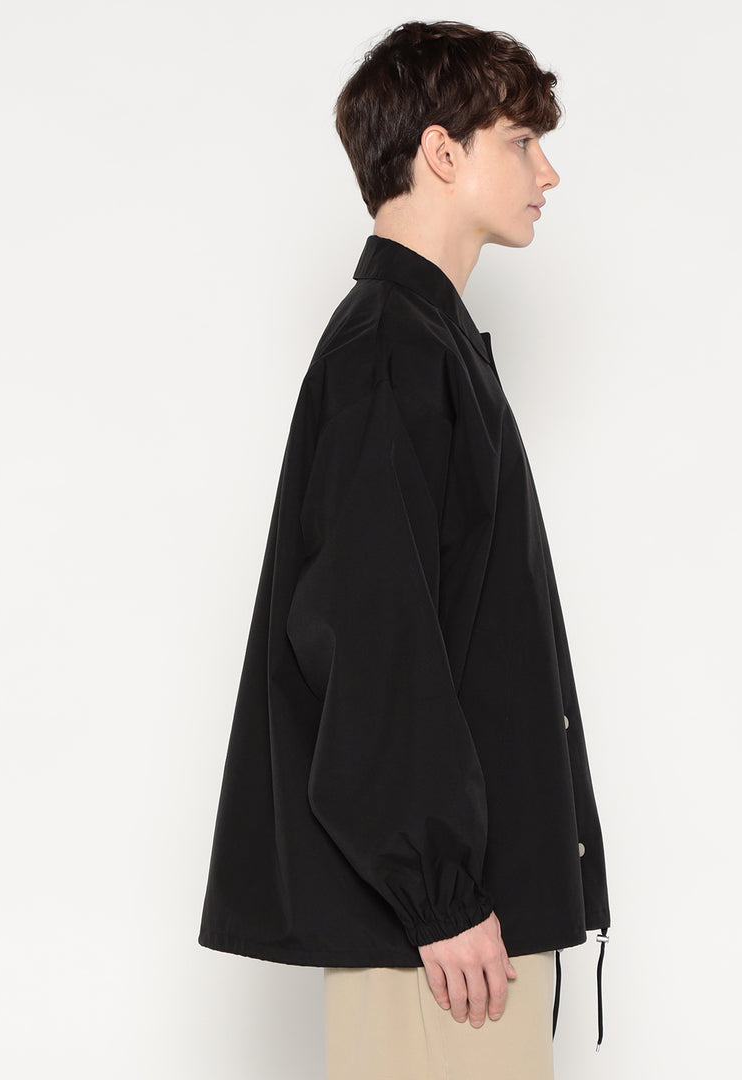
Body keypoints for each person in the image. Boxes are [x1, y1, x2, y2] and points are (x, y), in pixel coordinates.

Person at [198, 20, 611, 1079]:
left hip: (458, 923)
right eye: (522, 141)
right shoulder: (390, 352)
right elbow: (370, 639)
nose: (548, 173)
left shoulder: (424, 345)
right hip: (441, 937)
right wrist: (443, 895)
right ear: (442, 151)